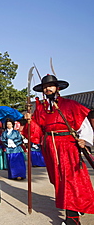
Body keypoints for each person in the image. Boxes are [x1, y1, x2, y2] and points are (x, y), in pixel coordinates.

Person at [24, 74, 94, 224]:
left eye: (50, 86)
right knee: (59, 180)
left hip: (68, 145)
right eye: (45, 87)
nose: (47, 89)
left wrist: (84, 140)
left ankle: (72, 219)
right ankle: (75, 206)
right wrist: (30, 122)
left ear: (58, 88)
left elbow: (83, 124)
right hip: (50, 147)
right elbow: (36, 131)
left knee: (71, 180)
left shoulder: (70, 105)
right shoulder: (41, 108)